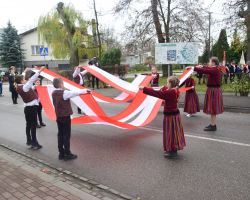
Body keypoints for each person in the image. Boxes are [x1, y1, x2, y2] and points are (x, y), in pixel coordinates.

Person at [140, 76, 185, 158]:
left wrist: (144, 89)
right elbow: (165, 90)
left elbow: (159, 94)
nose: (166, 84)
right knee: (173, 133)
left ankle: (172, 151)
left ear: (171, 84)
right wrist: (164, 87)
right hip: (174, 115)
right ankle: (173, 149)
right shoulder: (174, 90)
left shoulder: (170, 92)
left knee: (171, 133)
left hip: (171, 116)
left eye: (167, 83)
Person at [52, 78, 91, 161]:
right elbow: (74, 93)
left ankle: (61, 153)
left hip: (58, 116)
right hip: (65, 117)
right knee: (66, 135)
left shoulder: (54, 93)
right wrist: (85, 90)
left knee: (60, 134)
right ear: (61, 84)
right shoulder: (64, 93)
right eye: (63, 83)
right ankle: (67, 153)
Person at [15, 67, 45, 149]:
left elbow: (29, 86)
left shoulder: (20, 86)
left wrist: (25, 71)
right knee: (33, 126)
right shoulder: (24, 87)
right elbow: (31, 80)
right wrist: (40, 71)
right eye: (24, 79)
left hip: (28, 108)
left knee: (29, 125)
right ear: (22, 81)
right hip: (31, 108)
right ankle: (34, 143)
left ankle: (30, 141)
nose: (25, 79)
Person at [193, 57, 224, 131]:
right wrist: (201, 66)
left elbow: (205, 70)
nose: (208, 63)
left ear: (213, 63)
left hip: (213, 90)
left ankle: (213, 126)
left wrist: (194, 68)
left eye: (209, 62)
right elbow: (206, 68)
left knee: (213, 108)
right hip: (213, 90)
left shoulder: (214, 69)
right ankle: (213, 124)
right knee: (212, 108)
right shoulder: (215, 68)